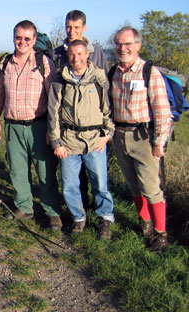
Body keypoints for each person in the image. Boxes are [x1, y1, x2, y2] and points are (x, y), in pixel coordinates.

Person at [0, 20, 62, 229]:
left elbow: (53, 99)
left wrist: (52, 129)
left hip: (39, 126)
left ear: (33, 40)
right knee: (17, 171)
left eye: (27, 38)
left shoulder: (44, 63)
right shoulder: (5, 63)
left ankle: (52, 211)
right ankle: (24, 207)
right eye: (18, 37)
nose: (22, 42)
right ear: (13, 38)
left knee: (45, 171)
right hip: (12, 126)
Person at [111, 26, 172, 250]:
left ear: (138, 45)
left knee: (151, 187)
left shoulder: (149, 72)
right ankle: (144, 222)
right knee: (133, 185)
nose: (122, 48)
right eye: (118, 44)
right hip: (120, 135)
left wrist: (158, 143)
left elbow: (162, 111)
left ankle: (160, 233)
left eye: (127, 44)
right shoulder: (114, 72)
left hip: (144, 137)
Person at [48, 40, 115, 238]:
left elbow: (108, 109)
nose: (76, 58)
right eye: (72, 54)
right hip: (68, 142)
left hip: (95, 140)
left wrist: (108, 134)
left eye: (80, 54)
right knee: (69, 185)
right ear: (67, 55)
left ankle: (105, 218)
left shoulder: (99, 77)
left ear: (87, 55)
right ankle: (78, 218)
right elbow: (53, 113)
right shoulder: (60, 78)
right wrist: (56, 142)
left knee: (100, 184)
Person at [54, 9, 110, 212]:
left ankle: (101, 211)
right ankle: (80, 208)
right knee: (72, 175)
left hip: (92, 125)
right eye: (68, 26)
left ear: (84, 28)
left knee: (96, 173)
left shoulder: (96, 52)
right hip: (68, 126)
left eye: (76, 27)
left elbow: (104, 87)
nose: (71, 31)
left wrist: (106, 127)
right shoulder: (58, 52)